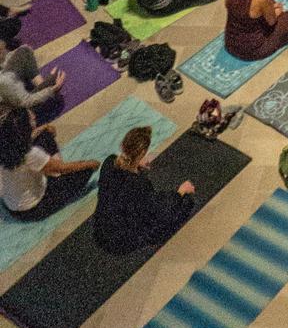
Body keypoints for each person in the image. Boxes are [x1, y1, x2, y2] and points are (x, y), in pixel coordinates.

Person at [92, 125, 196, 253]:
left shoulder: (109, 162)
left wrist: (136, 163)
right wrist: (180, 192)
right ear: (142, 153)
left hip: (100, 229)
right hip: (121, 242)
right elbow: (158, 207)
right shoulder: (139, 183)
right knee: (184, 205)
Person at [0, 106, 97, 218]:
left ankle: (51, 171)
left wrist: (43, 128)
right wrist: (90, 164)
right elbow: (63, 168)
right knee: (85, 170)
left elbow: (26, 139)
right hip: (35, 209)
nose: (34, 117)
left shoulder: (5, 146)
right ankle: (56, 175)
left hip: (12, 207)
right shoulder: (31, 154)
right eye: (31, 118)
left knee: (44, 135)